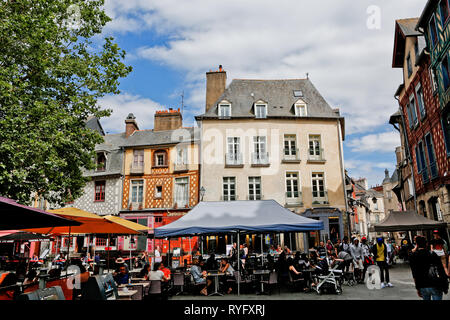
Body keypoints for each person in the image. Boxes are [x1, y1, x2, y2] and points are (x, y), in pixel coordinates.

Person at [409, 236, 448, 300]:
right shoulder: (432, 254)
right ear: (426, 244)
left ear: (417, 245)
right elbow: (441, 269)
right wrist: (445, 285)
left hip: (422, 285)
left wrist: (418, 287)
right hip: (435, 284)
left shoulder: (414, 256)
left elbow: (414, 274)